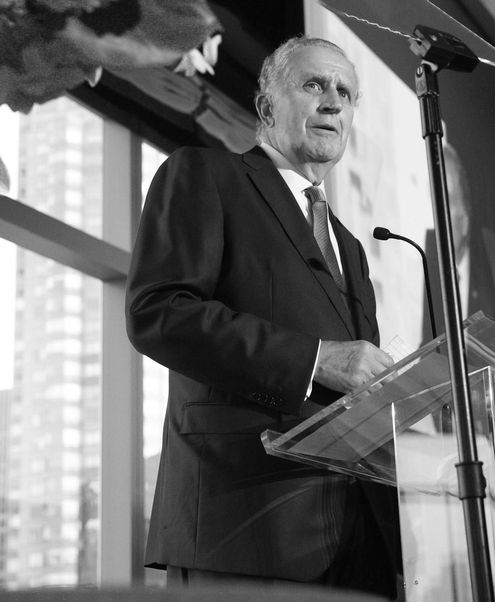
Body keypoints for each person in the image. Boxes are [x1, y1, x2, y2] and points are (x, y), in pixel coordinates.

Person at [126, 36, 402, 598]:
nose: (333, 102)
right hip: (244, 522)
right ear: (266, 105)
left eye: (345, 93)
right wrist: (317, 359)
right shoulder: (206, 175)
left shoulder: (350, 246)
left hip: (358, 541)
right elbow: (160, 312)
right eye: (313, 85)